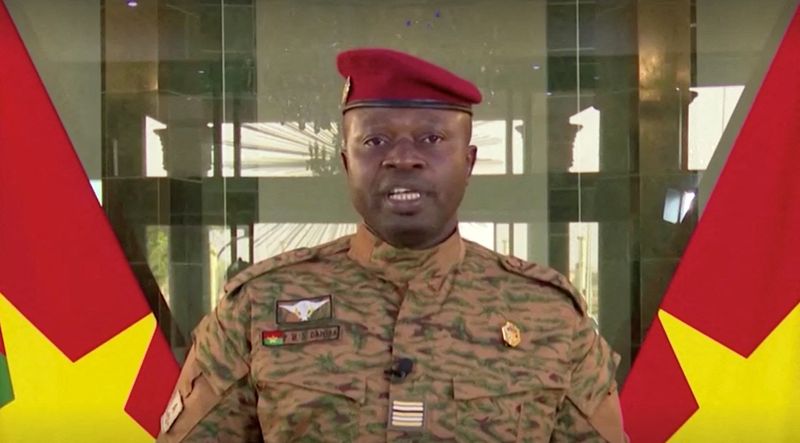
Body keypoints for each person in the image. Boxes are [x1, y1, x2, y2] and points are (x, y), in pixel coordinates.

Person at [157, 48, 626, 443]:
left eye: (431, 138)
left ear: (469, 161)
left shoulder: (548, 315)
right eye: (375, 140)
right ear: (346, 162)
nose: (403, 158)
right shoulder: (258, 306)